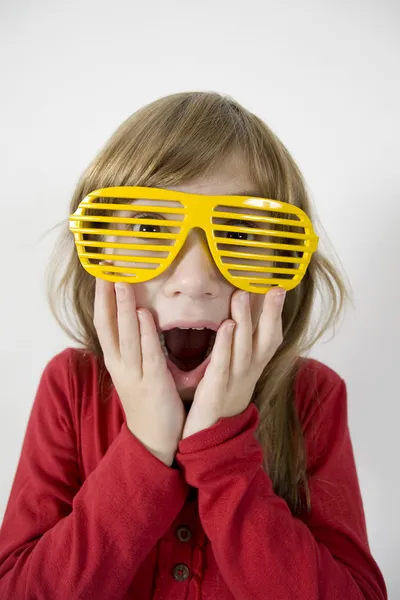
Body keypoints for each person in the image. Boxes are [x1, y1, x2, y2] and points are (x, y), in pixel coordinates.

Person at [0, 91, 387, 599]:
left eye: (242, 233)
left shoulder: (313, 397)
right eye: (146, 226)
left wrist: (222, 453)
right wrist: (144, 444)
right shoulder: (70, 388)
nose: (196, 278)